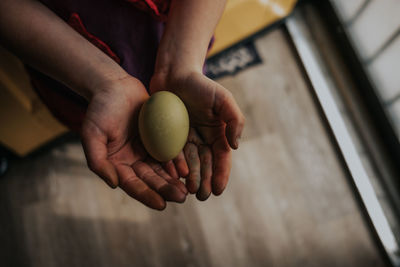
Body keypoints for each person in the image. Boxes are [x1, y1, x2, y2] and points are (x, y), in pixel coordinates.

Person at [0, 0, 245, 210]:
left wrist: (181, 62)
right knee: (98, 126)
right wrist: (104, 82)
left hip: (174, 34)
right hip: (70, 64)